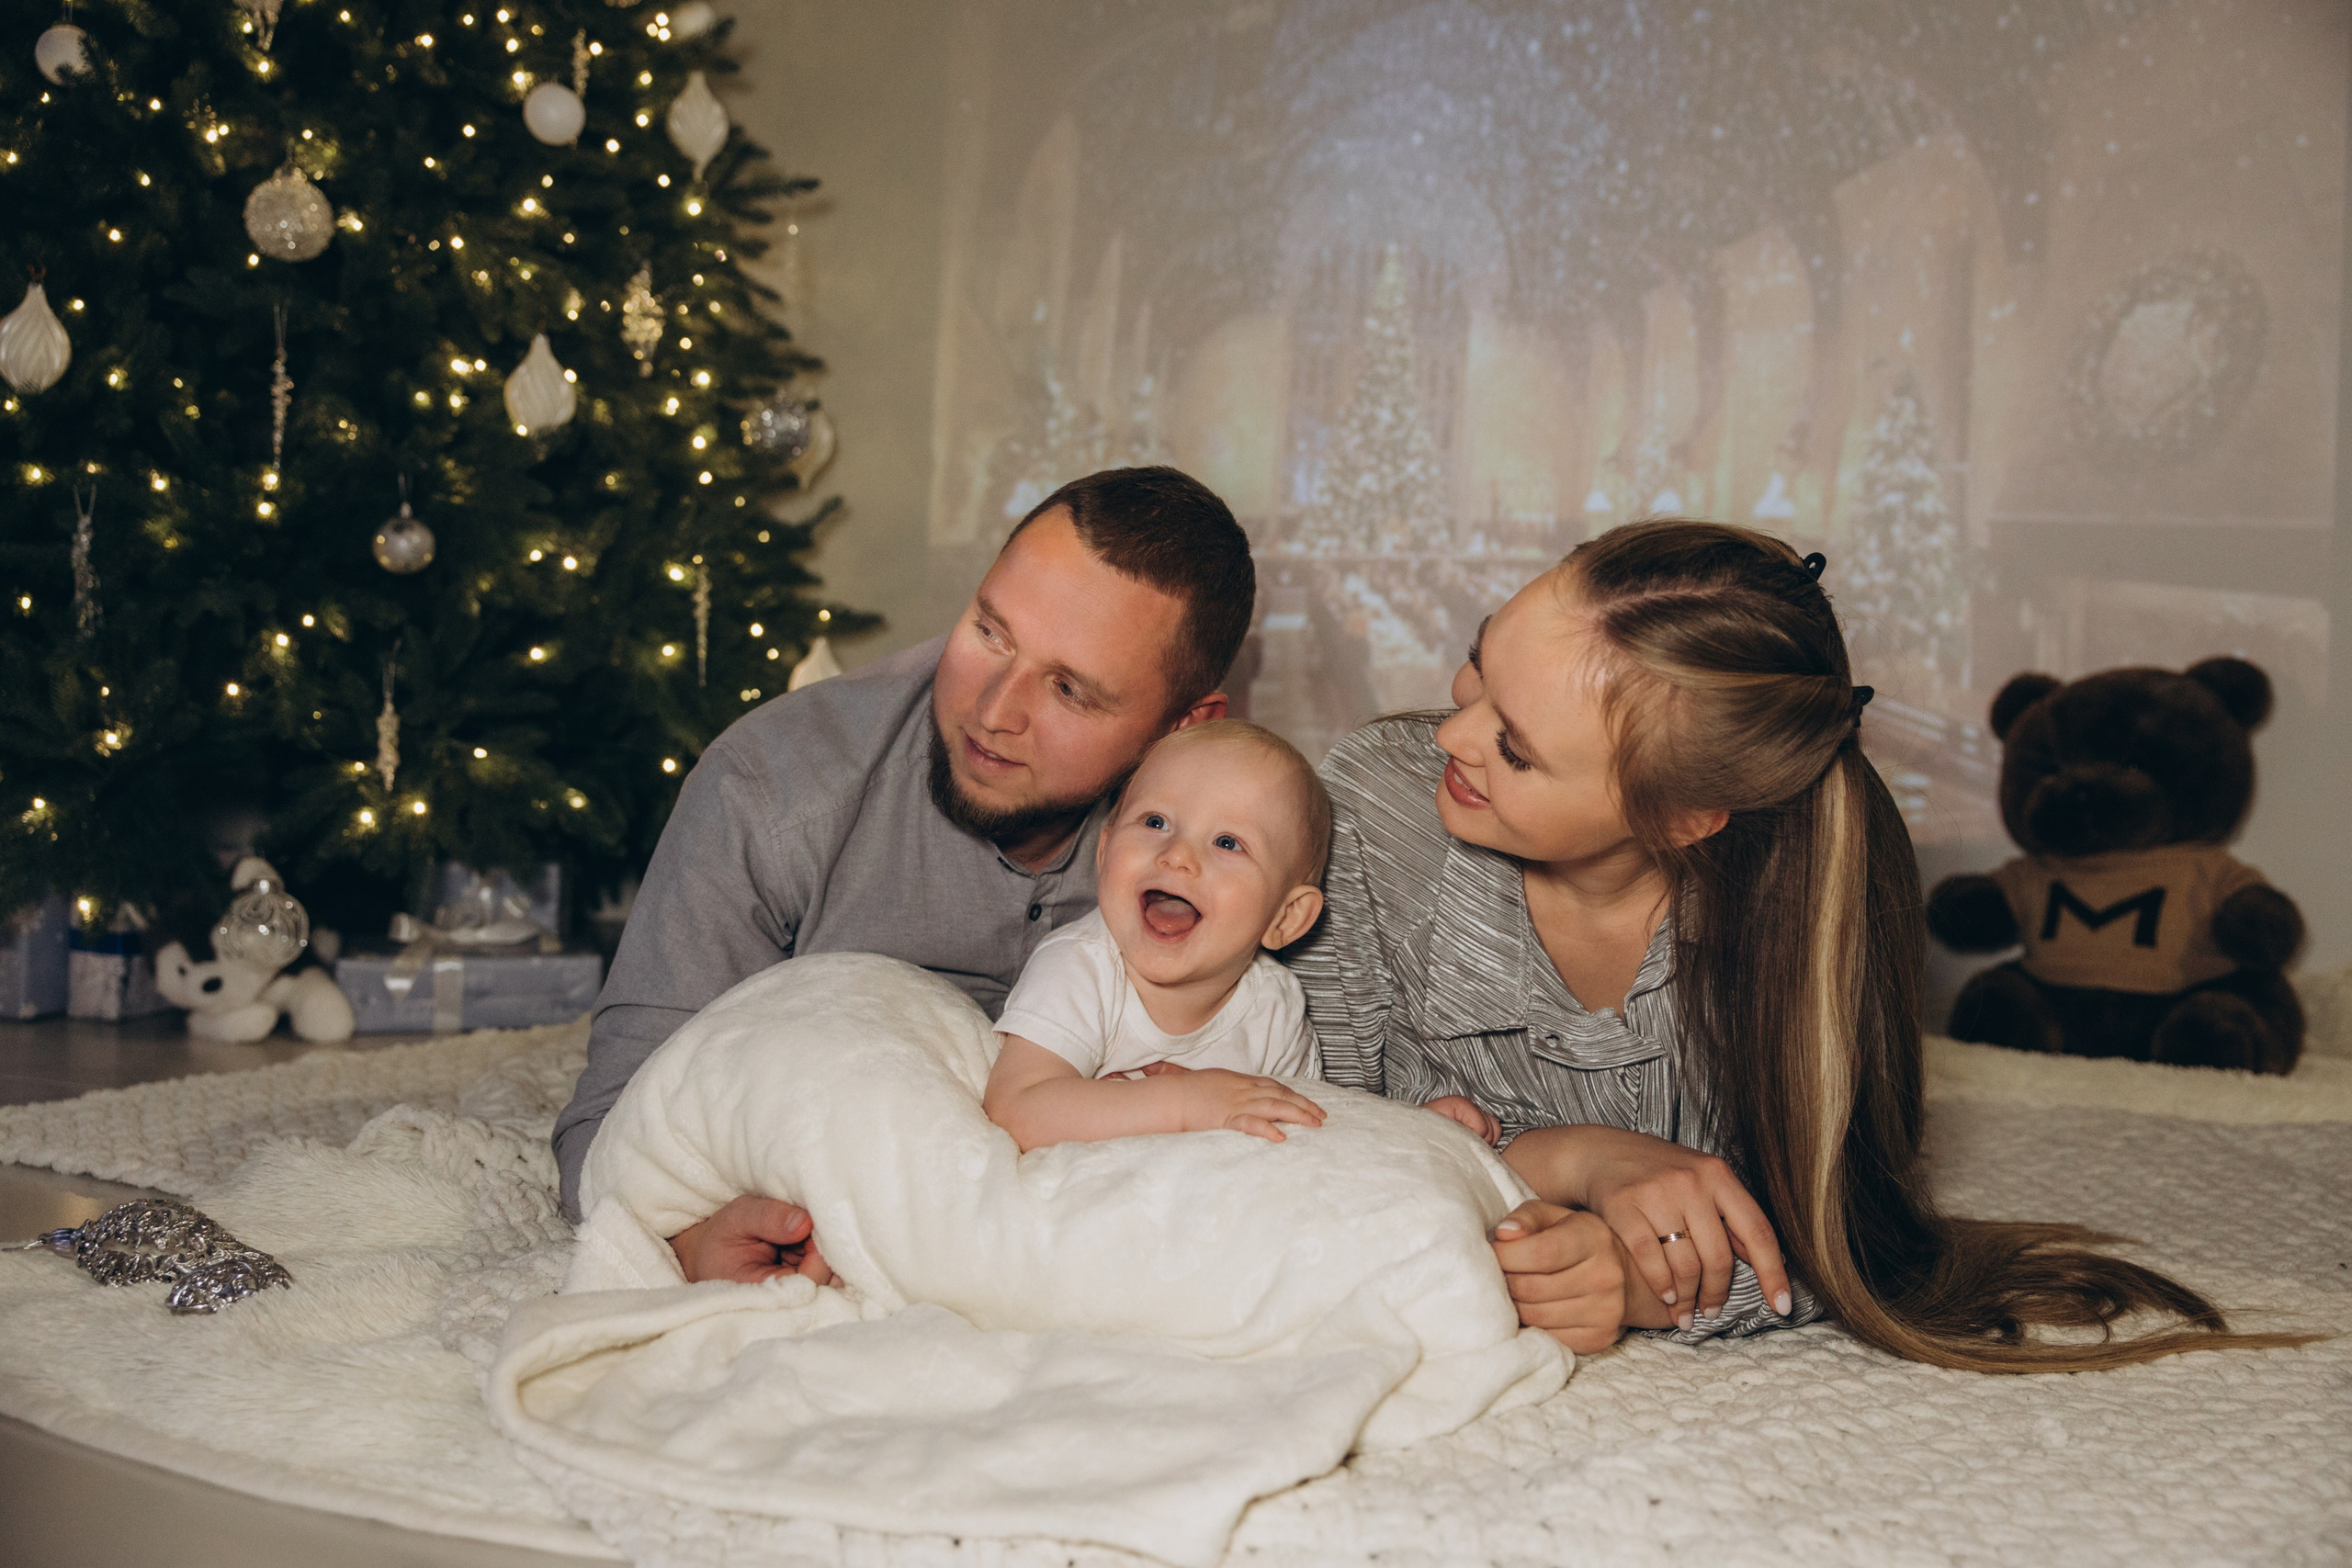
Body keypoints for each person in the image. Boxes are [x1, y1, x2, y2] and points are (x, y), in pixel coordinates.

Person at [1289, 517, 2303, 1368]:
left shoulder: (1810, 913)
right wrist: (1573, 1158)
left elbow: (1837, 1228)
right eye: (1478, 663)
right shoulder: (1371, 808)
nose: (1448, 735)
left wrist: (1639, 1283)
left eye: (1514, 747)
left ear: (1683, 816)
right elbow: (1291, 1124)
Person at [552, 466, 1254, 1281]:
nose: (993, 711)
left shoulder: (1236, 847)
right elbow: (606, 1130)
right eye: (991, 632)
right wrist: (686, 1241)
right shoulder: (773, 790)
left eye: (1069, 689)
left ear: (1184, 726)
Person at [981, 720, 1332, 1151]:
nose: (1178, 855)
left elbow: (1305, 1135)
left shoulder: (1275, 1007)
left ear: (1287, 917)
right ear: (1105, 852)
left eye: (1227, 843)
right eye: (1155, 821)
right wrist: (1185, 1104)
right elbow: (1016, 1107)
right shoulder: (1079, 966)